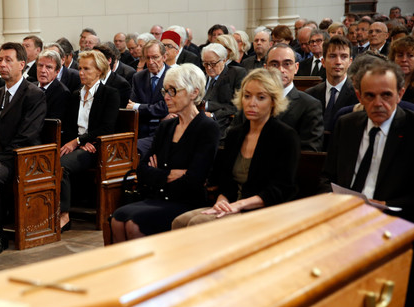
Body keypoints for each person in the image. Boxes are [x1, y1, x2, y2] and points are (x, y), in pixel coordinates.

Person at [172, 68, 299, 228]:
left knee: (197, 223)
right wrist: (221, 202)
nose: (252, 103)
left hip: (263, 210)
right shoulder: (235, 133)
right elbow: (225, 181)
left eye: (261, 97)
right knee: (180, 221)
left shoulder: (285, 136)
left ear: (273, 101)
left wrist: (239, 205)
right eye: (247, 96)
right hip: (231, 205)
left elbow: (280, 189)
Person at [111, 64, 220, 241]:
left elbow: (194, 179)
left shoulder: (207, 128)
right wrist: (169, 174)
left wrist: (158, 174)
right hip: (158, 197)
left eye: (173, 91)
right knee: (117, 218)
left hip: (186, 201)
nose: (167, 98)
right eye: (165, 91)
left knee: (133, 223)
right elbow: (143, 170)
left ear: (194, 93)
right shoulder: (166, 126)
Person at [0, 42, 46, 256]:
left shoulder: (34, 94)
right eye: (1, 60)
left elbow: (26, 138)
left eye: (8, 60)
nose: (2, 65)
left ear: (21, 64)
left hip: (20, 159)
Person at [320, 58, 414, 223]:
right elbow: (327, 177)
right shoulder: (346, 124)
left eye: (386, 95)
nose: (378, 103)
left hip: (394, 220)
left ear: (400, 94)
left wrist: (385, 204)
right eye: (370, 96)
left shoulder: (411, 128)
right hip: (344, 215)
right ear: (359, 96)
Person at [58, 50, 120, 231]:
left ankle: (64, 215)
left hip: (98, 147)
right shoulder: (75, 94)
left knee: (61, 165)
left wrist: (79, 141)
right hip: (80, 144)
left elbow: (107, 127)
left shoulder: (110, 93)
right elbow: (69, 126)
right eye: (80, 68)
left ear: (99, 71)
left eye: (86, 69)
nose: (81, 73)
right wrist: (77, 140)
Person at [127, 40, 170, 158]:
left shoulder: (173, 75)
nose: (151, 62)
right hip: (141, 130)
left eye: (155, 57)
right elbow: (131, 107)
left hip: (165, 131)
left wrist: (139, 107)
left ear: (164, 56)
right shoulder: (138, 77)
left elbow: (165, 108)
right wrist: (156, 112)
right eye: (147, 58)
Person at [306, 36, 356, 133]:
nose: (338, 62)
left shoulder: (358, 95)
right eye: (332, 56)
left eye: (344, 57)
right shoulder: (311, 94)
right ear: (323, 62)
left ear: (350, 62)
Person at [201, 43, 246, 133]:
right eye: (206, 64)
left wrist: (213, 115)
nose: (209, 68)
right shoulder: (202, 76)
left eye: (213, 64)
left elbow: (237, 105)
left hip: (223, 123)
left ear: (224, 60)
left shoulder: (236, 73)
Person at [35, 49, 70, 121]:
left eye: (48, 67)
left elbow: (52, 124)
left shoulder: (62, 93)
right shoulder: (29, 87)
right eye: (40, 65)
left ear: (57, 72)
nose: (43, 70)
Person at [389, 36, 414, 102]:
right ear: (393, 59)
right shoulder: (385, 82)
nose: (404, 60)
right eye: (400, 55)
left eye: (410, 56)